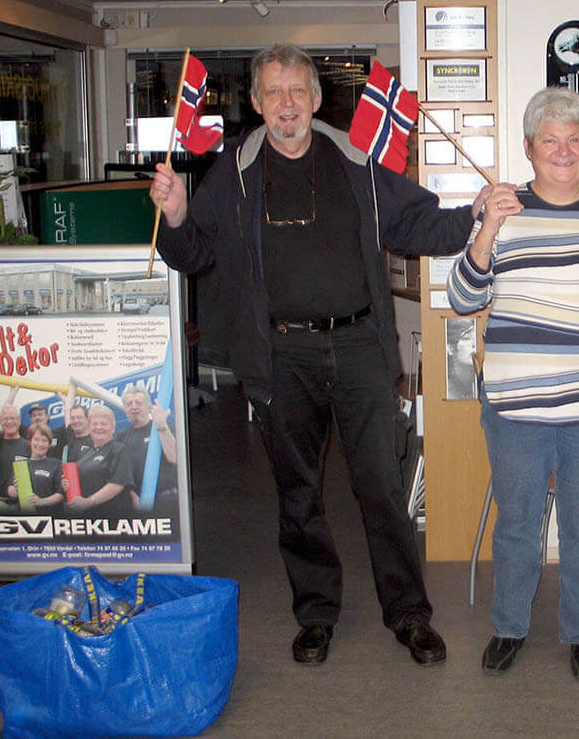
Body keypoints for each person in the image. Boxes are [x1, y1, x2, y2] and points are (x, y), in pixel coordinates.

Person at [150, 43, 492, 668]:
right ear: (256, 103)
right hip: (280, 354)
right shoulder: (236, 172)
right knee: (297, 491)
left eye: (297, 91)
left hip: (359, 344)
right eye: (273, 93)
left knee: (382, 487)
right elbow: (194, 255)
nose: (287, 104)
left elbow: (415, 225)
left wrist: (474, 215)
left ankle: (409, 613)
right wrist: (174, 215)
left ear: (315, 99)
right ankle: (315, 612)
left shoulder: (355, 160)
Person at [447, 87, 579, 680]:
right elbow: (463, 299)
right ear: (528, 148)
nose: (563, 151)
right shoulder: (503, 208)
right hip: (516, 406)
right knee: (518, 523)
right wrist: (487, 226)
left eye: (575, 140)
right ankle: (509, 626)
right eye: (550, 140)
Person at [114, 386, 178, 515]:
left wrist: (161, 426)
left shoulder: (166, 427)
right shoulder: (121, 436)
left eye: (138, 403)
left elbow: (175, 457)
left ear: (149, 407)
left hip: (168, 500)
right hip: (139, 504)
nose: (134, 407)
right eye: (129, 404)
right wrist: (133, 497)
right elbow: (121, 473)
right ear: (125, 409)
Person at [64, 405, 135, 518]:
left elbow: (118, 484)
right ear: (89, 427)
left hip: (112, 516)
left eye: (104, 424)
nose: (99, 427)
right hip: (88, 517)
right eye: (95, 424)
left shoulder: (119, 450)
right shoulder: (86, 453)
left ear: (113, 428)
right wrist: (67, 485)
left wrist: (89, 501)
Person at [7, 423, 64, 512]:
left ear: (49, 444)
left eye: (44, 440)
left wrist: (41, 501)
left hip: (50, 517)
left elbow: (60, 494)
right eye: (36, 439)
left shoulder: (56, 464)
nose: (40, 444)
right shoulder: (21, 464)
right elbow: (10, 490)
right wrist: (16, 490)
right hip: (26, 516)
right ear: (30, 441)